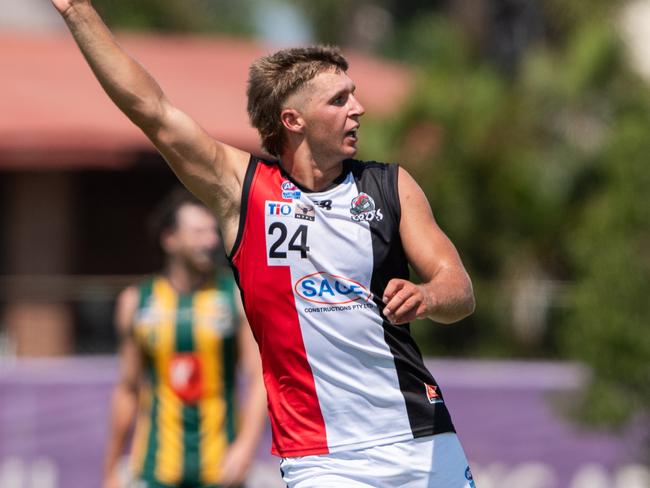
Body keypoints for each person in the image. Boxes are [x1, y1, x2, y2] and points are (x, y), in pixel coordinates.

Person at [51, 1, 477, 486]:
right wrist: (78, 11)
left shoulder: (390, 186)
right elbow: (153, 110)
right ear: (294, 120)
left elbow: (459, 289)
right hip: (323, 460)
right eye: (339, 100)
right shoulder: (244, 190)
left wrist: (428, 296)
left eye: (353, 95)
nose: (357, 108)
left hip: (421, 437)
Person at [103, 189, 267, 488]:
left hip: (220, 472)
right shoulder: (136, 301)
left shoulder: (234, 295)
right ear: (170, 239)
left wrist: (245, 448)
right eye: (197, 232)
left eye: (211, 231)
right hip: (154, 473)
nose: (210, 241)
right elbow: (127, 389)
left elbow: (259, 379)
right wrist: (111, 468)